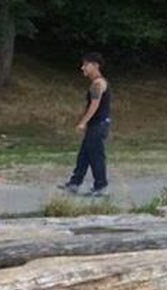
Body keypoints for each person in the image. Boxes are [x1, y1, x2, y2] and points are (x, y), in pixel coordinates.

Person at [58, 52, 111, 197]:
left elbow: (94, 105)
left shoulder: (98, 84)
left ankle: (101, 186)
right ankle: (74, 184)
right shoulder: (96, 83)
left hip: (98, 125)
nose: (83, 68)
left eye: (86, 65)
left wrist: (83, 122)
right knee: (84, 156)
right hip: (95, 125)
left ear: (95, 65)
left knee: (96, 156)